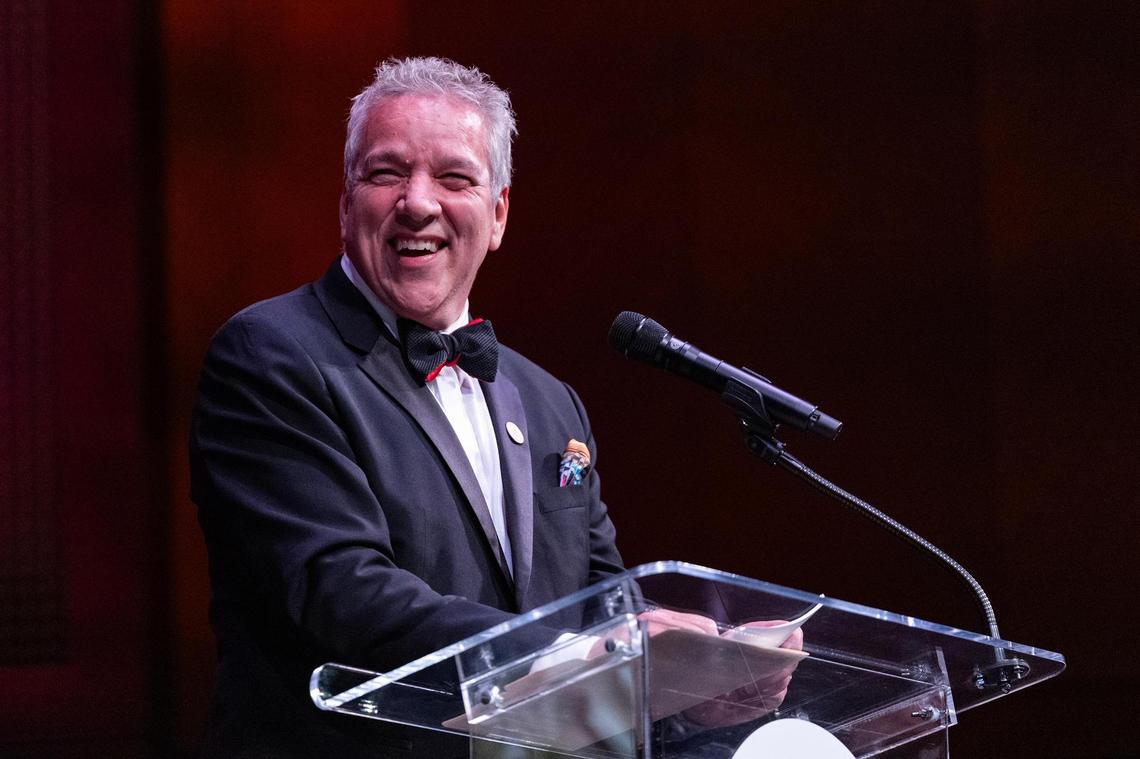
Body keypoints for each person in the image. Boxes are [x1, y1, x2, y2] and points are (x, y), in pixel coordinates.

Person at [191, 56, 798, 759]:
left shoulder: (547, 402)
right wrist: (603, 650)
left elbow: (598, 600)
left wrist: (697, 679)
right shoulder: (271, 354)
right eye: (386, 173)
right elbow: (344, 593)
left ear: (499, 212)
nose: (418, 202)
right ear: (345, 201)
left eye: (454, 178)